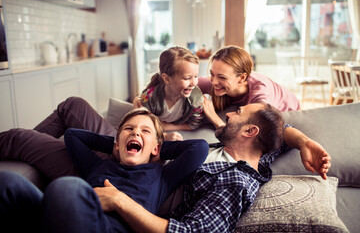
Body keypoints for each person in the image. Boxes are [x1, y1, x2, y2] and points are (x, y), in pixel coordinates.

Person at [90, 103, 331, 233]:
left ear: (249, 132)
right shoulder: (247, 151)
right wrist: (305, 143)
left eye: (237, 113)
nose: (227, 114)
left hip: (123, 194)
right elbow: (277, 130)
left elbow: (191, 232)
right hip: (126, 164)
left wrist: (120, 201)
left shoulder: (235, 181)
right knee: (72, 110)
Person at [0, 108, 208, 232]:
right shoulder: (98, 165)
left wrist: (156, 147)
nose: (136, 132)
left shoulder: (161, 176)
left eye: (145, 130)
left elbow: (199, 148)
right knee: (7, 182)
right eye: (129, 128)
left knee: (66, 188)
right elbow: (72, 135)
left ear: (156, 148)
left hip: (106, 228)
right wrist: (118, 142)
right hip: (63, 216)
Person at [198, 45, 301, 129]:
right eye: (212, 74)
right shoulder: (216, 81)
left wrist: (214, 117)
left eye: (222, 77)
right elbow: (190, 81)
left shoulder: (261, 95)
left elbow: (245, 137)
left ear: (242, 78)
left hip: (289, 109)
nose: (214, 82)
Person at [134, 46, 204, 141]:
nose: (194, 83)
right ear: (166, 79)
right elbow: (142, 124)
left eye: (196, 76)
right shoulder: (150, 97)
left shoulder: (196, 99)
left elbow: (194, 124)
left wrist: (168, 126)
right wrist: (162, 134)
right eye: (187, 78)